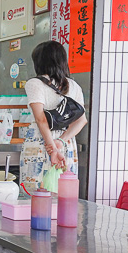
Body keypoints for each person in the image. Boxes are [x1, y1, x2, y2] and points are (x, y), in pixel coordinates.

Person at [21, 41, 88, 191]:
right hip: (65, 144)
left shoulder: (35, 84)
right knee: (63, 193)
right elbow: (82, 120)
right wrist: (60, 142)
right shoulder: (73, 86)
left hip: (40, 142)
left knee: (37, 193)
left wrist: (52, 148)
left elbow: (41, 119)